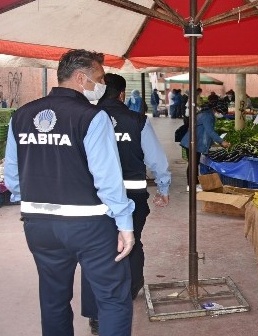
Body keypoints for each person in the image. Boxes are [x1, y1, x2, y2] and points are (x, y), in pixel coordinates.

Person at [3, 49, 135, 336]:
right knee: (113, 298)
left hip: (39, 225)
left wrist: (37, 204)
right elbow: (108, 179)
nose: (101, 85)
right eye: (98, 78)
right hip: (89, 226)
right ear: (80, 78)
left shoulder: (21, 116)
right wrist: (125, 224)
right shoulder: (91, 117)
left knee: (53, 299)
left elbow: (12, 177)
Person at [79, 73, 171, 334]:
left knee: (96, 250)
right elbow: (157, 160)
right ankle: (130, 289)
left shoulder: (85, 118)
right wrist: (163, 188)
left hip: (95, 198)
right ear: (121, 94)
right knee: (132, 241)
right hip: (133, 196)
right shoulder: (137, 120)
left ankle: (97, 314)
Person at [180, 98, 231, 189]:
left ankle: (194, 184)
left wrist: (213, 143)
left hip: (195, 142)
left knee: (194, 164)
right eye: (221, 112)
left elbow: (206, 133)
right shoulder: (207, 116)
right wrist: (221, 141)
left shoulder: (208, 114)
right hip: (192, 143)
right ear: (215, 110)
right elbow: (210, 131)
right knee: (193, 165)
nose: (221, 115)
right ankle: (191, 185)